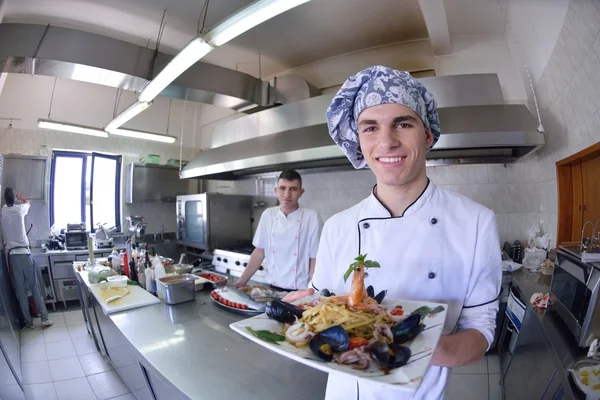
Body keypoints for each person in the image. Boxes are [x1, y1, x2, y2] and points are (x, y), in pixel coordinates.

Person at [284, 66, 501, 399]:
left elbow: (481, 330)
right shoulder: (337, 226)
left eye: (403, 123)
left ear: (427, 134)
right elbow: (319, 302)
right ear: (358, 140)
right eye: (370, 127)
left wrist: (420, 347)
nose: (386, 141)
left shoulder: (475, 223)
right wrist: (296, 313)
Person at [233, 170, 321, 291]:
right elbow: (259, 252)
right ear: (276, 191)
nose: (287, 194)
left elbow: (314, 258)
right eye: (282, 188)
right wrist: (241, 282)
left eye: (293, 189)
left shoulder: (311, 217)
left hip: (300, 290)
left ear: (301, 192)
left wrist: (314, 291)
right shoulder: (268, 215)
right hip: (271, 289)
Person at [1, 188, 53, 329]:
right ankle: (44, 319)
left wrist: (12, 199)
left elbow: (7, 204)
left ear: (5, 200)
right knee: (34, 287)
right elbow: (28, 203)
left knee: (21, 291)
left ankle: (29, 323)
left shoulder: (3, 211)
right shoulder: (19, 210)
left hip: (12, 257)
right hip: (24, 254)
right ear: (14, 198)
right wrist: (23, 198)